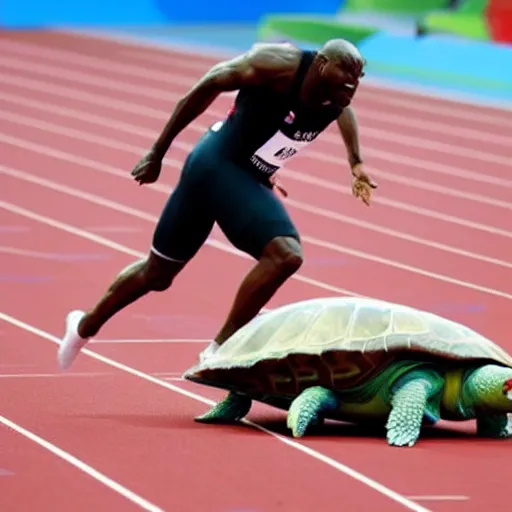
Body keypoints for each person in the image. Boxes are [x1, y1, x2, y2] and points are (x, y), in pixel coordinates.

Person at [57, 38, 377, 370]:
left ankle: (83, 326)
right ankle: (220, 350)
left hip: (240, 174)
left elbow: (343, 111)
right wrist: (158, 152)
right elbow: (208, 84)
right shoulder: (278, 65)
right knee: (284, 255)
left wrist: (356, 163)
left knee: (157, 273)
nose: (352, 86)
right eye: (347, 76)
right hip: (216, 164)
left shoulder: (336, 97)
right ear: (322, 64)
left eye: (359, 79)